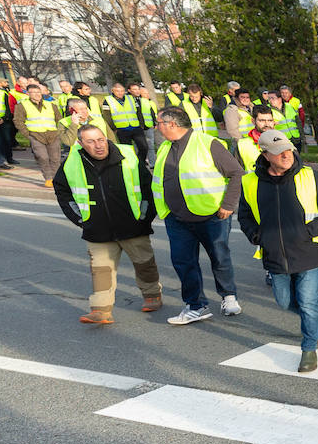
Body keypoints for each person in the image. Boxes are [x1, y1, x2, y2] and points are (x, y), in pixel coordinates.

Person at [237, 130, 318, 373]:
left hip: (307, 251)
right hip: (274, 254)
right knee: (284, 302)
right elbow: (244, 216)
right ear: (264, 155)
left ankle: (308, 350)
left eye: (288, 149)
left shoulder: (309, 176)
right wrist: (257, 236)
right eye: (278, 152)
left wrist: (308, 232)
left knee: (306, 301)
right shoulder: (250, 182)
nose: (286, 155)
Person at [54, 124, 162, 324]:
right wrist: (81, 219)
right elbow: (63, 191)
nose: (98, 146)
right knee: (101, 270)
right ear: (80, 143)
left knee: (144, 263)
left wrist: (145, 216)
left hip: (133, 225)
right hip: (97, 228)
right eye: (91, 142)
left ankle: (152, 294)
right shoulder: (71, 162)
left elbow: (148, 187)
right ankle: (101, 310)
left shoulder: (128, 154)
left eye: (101, 139)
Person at [152, 106, 244, 325]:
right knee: (183, 262)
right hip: (176, 218)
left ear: (171, 124)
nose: (156, 127)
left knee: (219, 256)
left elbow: (236, 172)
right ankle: (196, 306)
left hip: (211, 214)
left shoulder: (208, 143)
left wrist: (229, 204)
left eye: (159, 123)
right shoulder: (165, 147)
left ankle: (228, 296)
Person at [14, 83, 63, 186]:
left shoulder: (51, 105)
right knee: (42, 157)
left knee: (55, 158)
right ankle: (48, 178)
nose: (37, 94)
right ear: (28, 93)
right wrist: (28, 135)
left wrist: (58, 132)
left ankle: (57, 179)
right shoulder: (22, 106)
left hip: (52, 134)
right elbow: (18, 121)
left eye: (38, 92)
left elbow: (59, 119)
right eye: (33, 92)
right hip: (35, 135)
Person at [233, 105, 277, 170]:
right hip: (253, 180)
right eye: (262, 120)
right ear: (253, 121)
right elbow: (236, 172)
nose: (267, 124)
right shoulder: (242, 145)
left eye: (270, 120)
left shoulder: (284, 142)